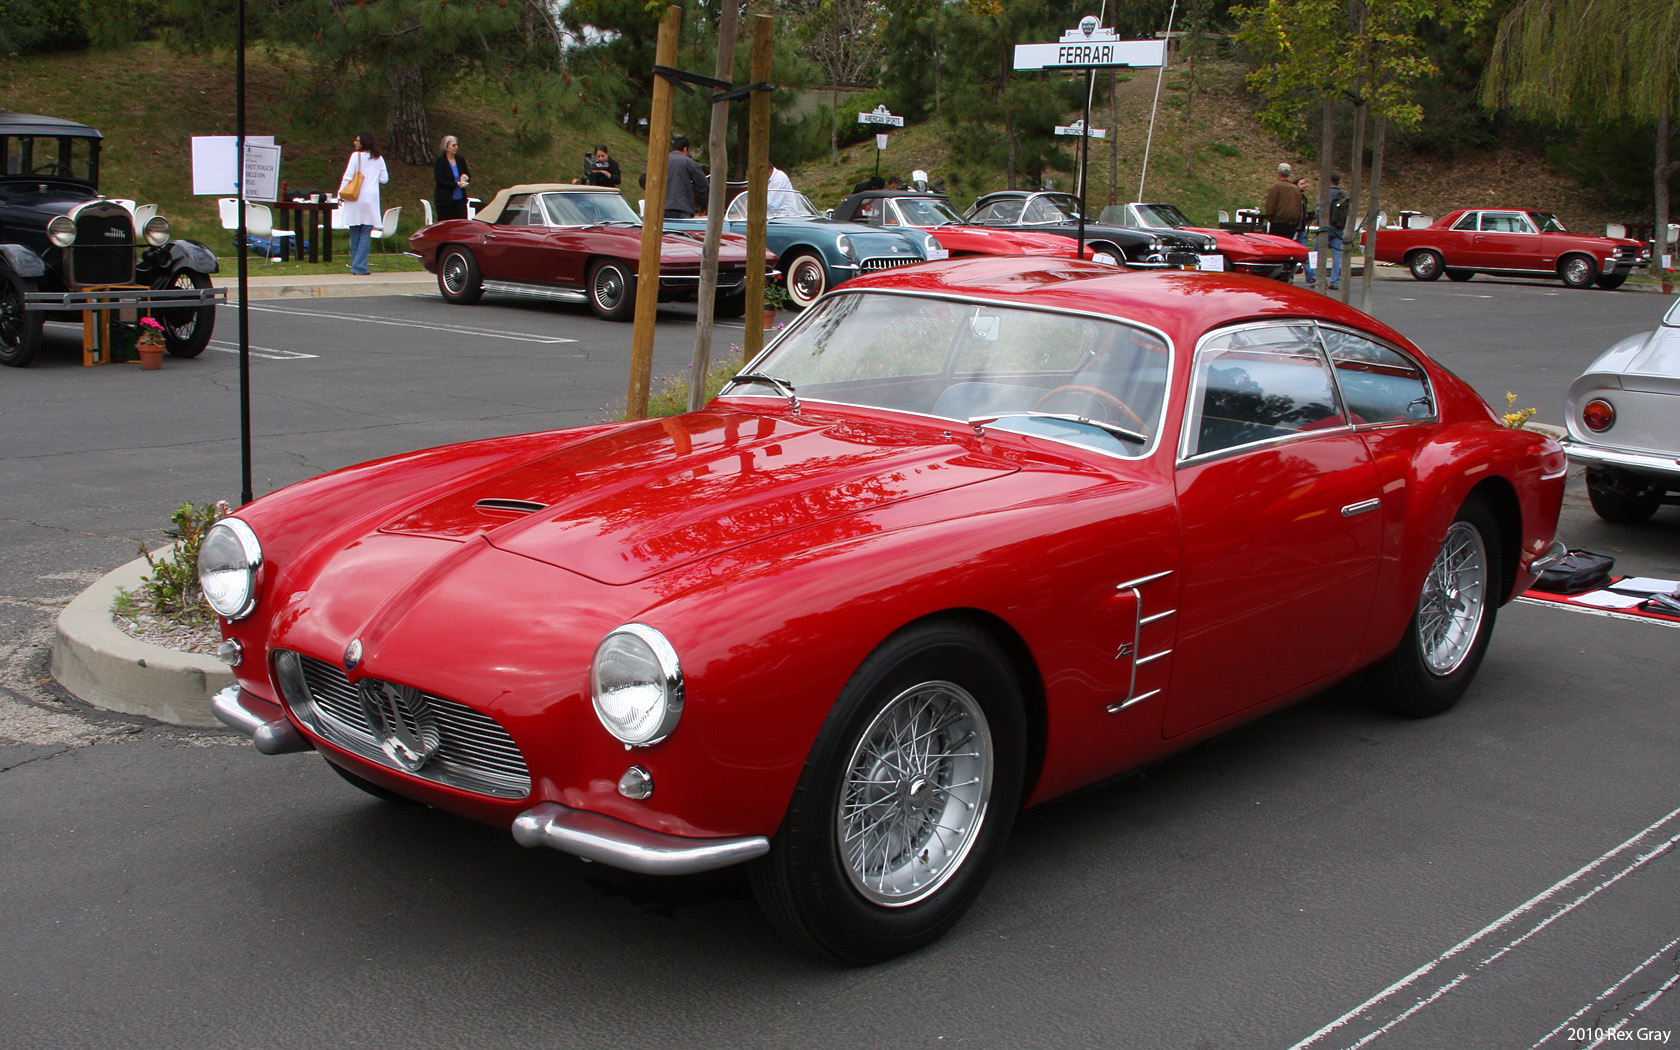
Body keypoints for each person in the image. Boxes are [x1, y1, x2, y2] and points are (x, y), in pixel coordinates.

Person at [338, 131, 389, 275]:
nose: (355, 143)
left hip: (356, 196)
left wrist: (340, 193)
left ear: (364, 142)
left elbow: (348, 176)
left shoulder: (356, 156)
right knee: (366, 232)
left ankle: (357, 265)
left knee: (355, 231)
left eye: (358, 140)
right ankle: (360, 266)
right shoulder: (378, 158)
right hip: (371, 198)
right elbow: (384, 179)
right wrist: (373, 177)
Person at [663, 135, 707, 219]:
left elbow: (644, 179)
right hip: (683, 208)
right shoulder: (689, 162)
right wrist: (703, 206)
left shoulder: (661, 161)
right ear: (685, 149)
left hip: (663, 207)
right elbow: (703, 185)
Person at [1261, 162, 1303, 243]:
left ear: (1279, 173)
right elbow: (1299, 207)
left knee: (1276, 245)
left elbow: (1270, 206)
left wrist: (1270, 218)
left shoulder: (1276, 187)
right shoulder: (1295, 189)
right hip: (1292, 224)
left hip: (1278, 223)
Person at [432, 135, 471, 222]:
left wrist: (465, 177)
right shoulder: (440, 161)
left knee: (461, 224)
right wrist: (455, 184)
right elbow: (439, 181)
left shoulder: (460, 160)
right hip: (445, 201)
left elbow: (467, 174)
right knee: (446, 225)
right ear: (446, 147)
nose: (456, 147)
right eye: (453, 145)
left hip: (460, 200)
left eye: (456, 145)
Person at [1324, 173, 1350, 290]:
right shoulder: (1343, 195)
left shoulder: (1325, 194)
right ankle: (1334, 281)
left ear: (1330, 181)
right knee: (1337, 256)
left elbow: (1320, 210)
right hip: (1338, 229)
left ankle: (1315, 276)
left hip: (1326, 228)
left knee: (1314, 253)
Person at [1295, 176, 1317, 284]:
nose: (1304, 185)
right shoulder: (1293, 198)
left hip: (1301, 230)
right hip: (1295, 229)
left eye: (1304, 183)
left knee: (1306, 253)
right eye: (1301, 183)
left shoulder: (1304, 198)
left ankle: (1311, 275)